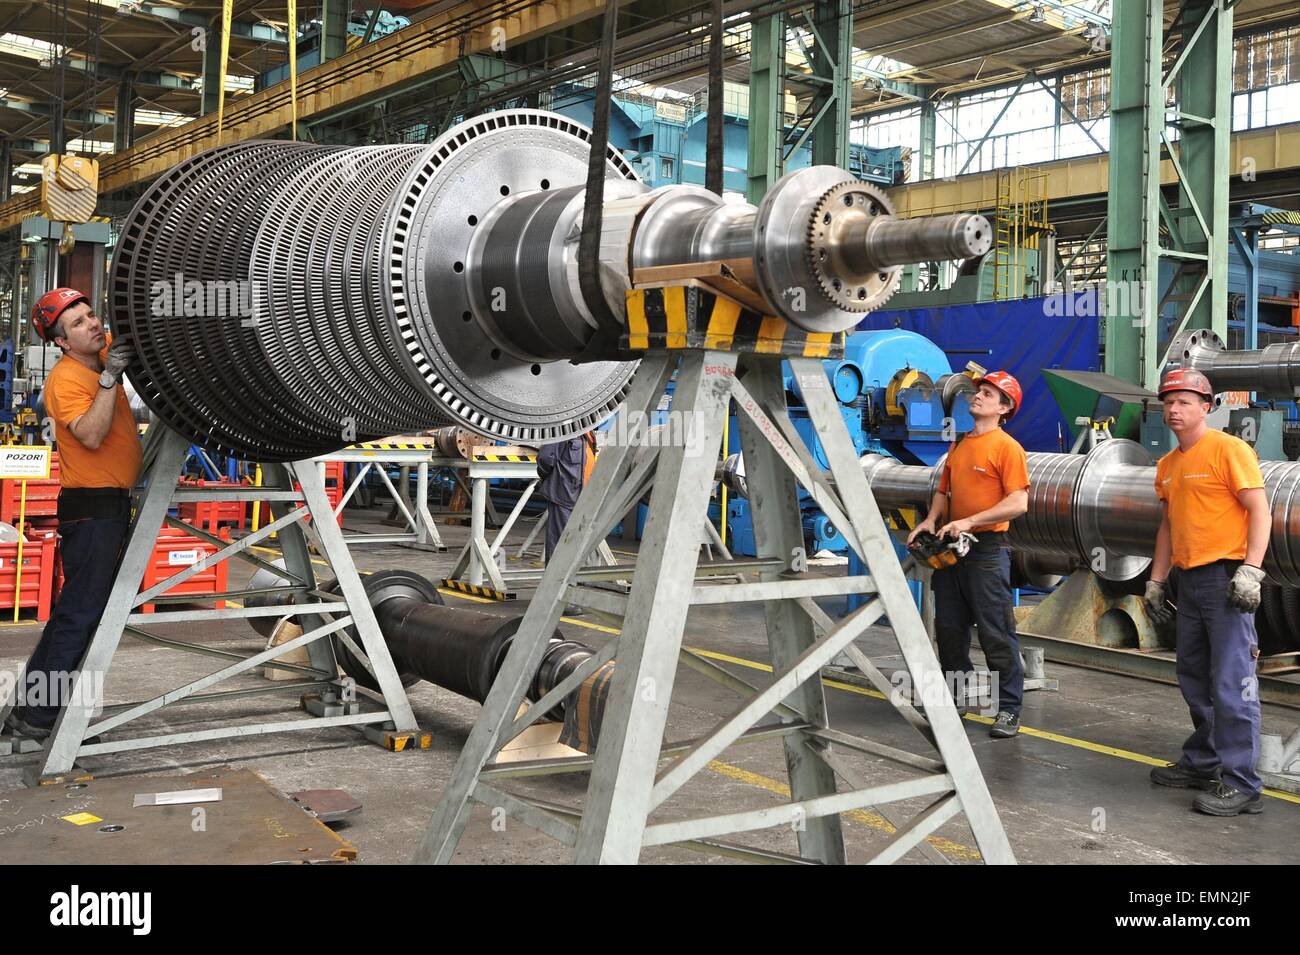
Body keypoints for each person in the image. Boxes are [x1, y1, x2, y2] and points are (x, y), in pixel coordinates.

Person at [4, 288, 140, 740]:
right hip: (92, 510)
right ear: (60, 342)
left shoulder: (99, 356)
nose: (93, 324)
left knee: (73, 613)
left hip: (107, 506)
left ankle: (30, 711)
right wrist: (109, 380)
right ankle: (42, 719)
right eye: (78, 324)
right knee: (81, 615)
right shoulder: (67, 379)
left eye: (91, 315)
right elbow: (92, 435)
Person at [1143, 367, 1270, 816]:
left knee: (1232, 684)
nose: (1174, 410)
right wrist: (1157, 580)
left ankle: (1243, 784)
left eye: (1184, 402)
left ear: (1207, 408)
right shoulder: (1168, 465)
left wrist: (1251, 571)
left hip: (1226, 581)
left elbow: (1260, 511)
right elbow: (1167, 526)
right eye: (1168, 403)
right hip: (1189, 582)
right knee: (1193, 678)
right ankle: (1204, 762)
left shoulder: (1228, 449)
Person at [908, 372, 1030, 738]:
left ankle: (1009, 708)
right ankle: (958, 700)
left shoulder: (1007, 448)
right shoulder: (959, 445)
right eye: (978, 391)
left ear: (1004, 408)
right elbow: (943, 492)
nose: (977, 397)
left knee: (996, 632)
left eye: (988, 394)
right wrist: (930, 520)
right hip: (952, 549)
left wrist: (970, 521)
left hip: (986, 552)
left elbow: (1018, 502)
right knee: (949, 630)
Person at [536, 431, 597, 561]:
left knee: (579, 544)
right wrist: (555, 482)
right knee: (560, 543)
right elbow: (545, 458)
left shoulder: (588, 433)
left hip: (584, 497)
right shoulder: (564, 430)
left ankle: (574, 579)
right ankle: (554, 580)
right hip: (564, 496)